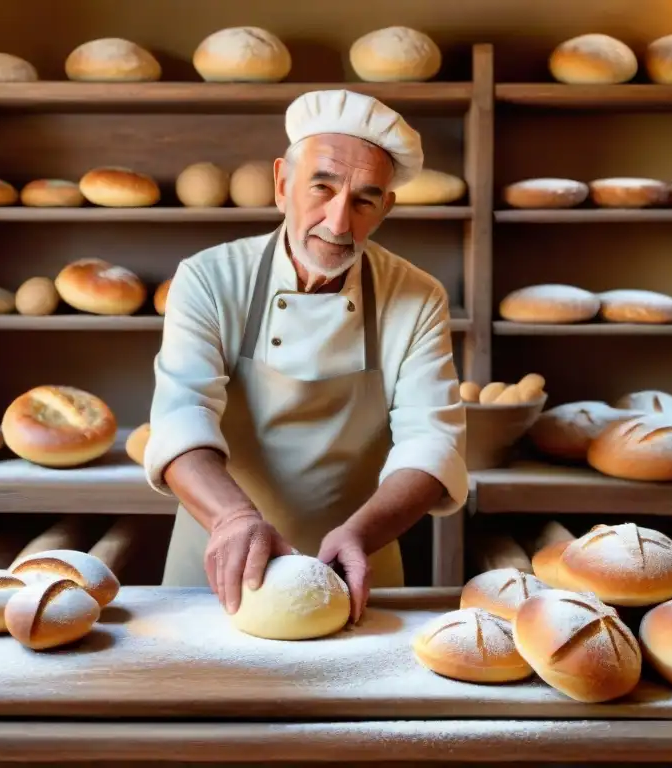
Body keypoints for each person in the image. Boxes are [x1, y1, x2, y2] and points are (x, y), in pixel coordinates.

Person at [145, 89, 468, 623]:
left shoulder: (416, 296)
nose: (339, 222)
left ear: (386, 208)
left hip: (357, 565)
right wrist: (232, 520)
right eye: (322, 187)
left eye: (365, 199)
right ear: (282, 183)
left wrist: (361, 533)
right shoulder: (209, 277)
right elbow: (181, 417)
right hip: (222, 561)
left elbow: (432, 443)